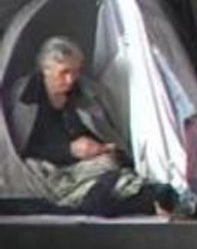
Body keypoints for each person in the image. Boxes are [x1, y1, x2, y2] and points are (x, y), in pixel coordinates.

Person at [8, 36, 178, 216]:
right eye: (64, 72)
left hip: (85, 168)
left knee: (109, 165)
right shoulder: (22, 97)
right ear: (46, 70)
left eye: (76, 71)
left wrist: (102, 148)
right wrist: (69, 150)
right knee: (34, 171)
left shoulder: (89, 93)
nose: (71, 79)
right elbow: (17, 148)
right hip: (43, 169)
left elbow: (111, 136)